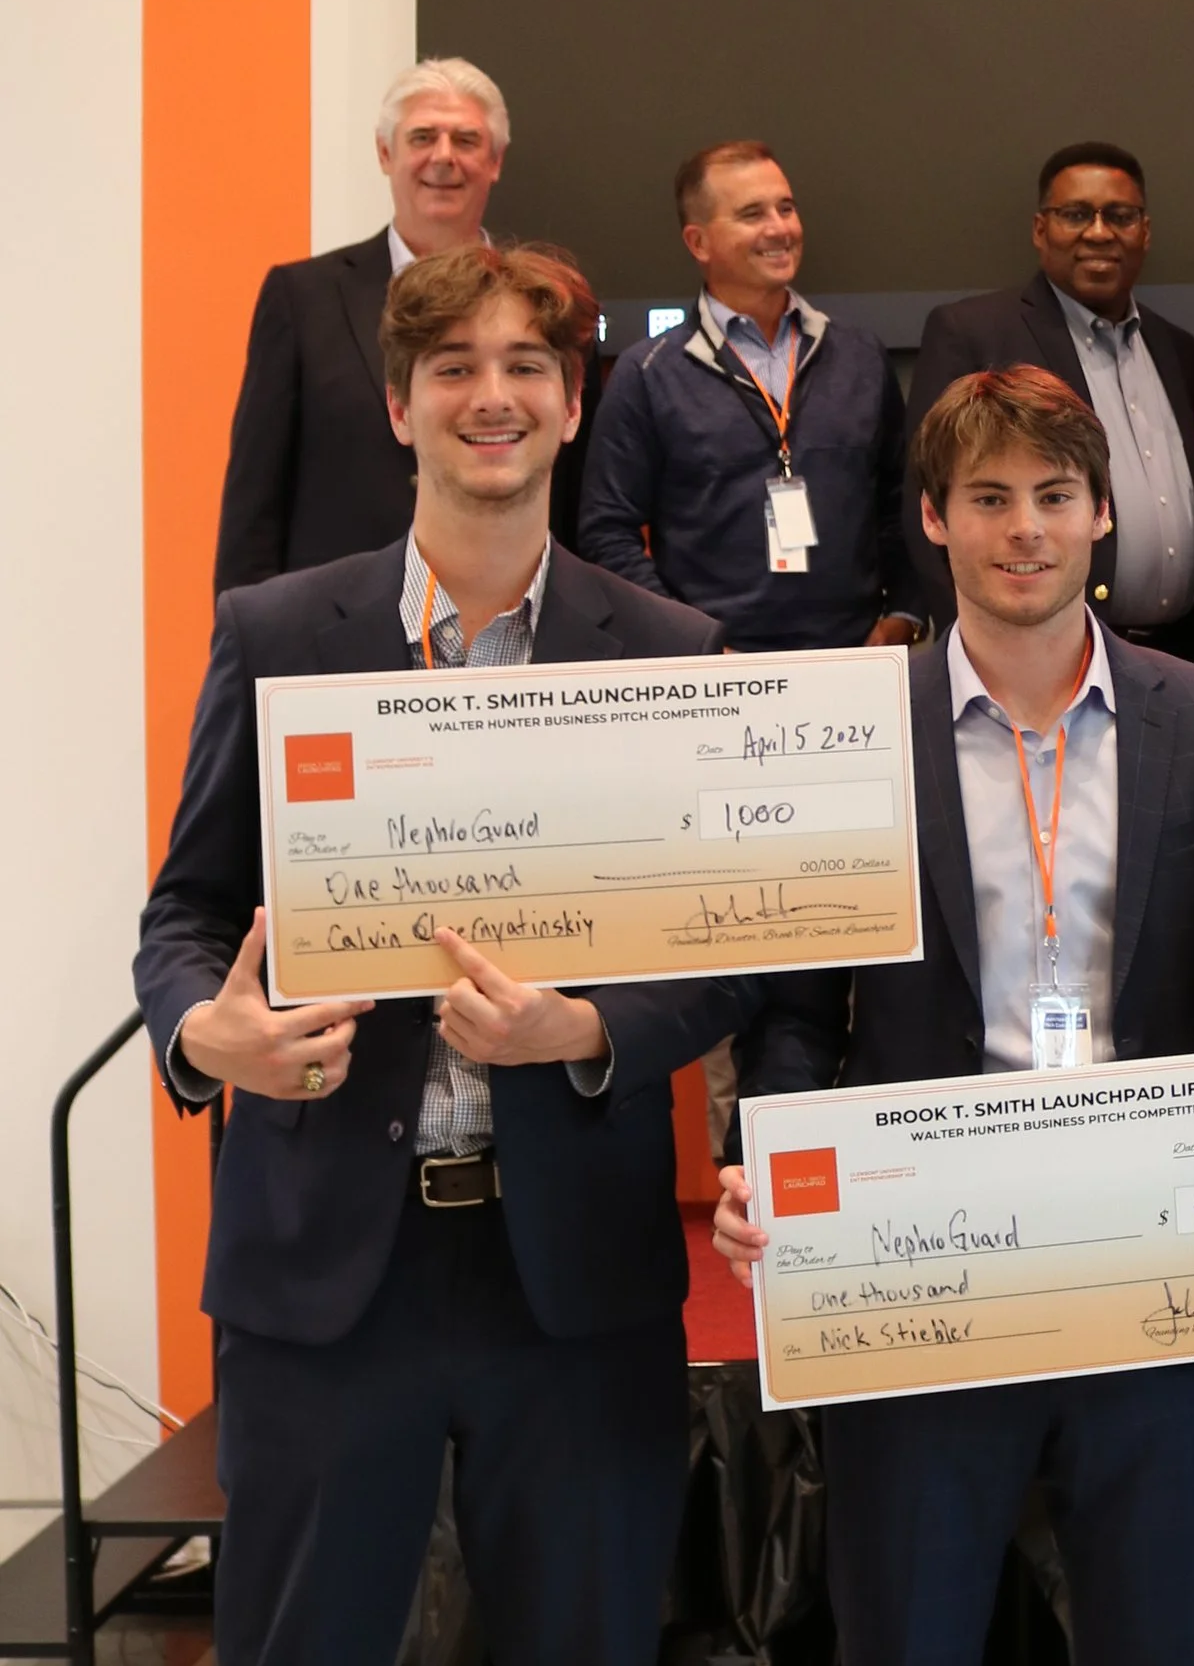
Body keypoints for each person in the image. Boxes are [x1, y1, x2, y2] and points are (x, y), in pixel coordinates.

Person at [708, 365, 1194, 1664]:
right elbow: (798, 1013)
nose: (1022, 526)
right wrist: (763, 1152)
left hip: (1151, 1269)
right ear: (934, 518)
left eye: (1053, 495)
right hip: (921, 1267)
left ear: (1101, 517)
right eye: (988, 498)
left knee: (1152, 1639)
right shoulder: (850, 730)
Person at [136, 243, 752, 1666]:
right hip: (328, 1272)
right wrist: (199, 1037)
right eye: (454, 368)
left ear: (575, 400)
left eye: (527, 366)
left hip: (575, 1282)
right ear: (402, 408)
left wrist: (587, 1032)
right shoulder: (281, 634)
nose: (494, 395)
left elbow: (719, 961)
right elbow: (183, 916)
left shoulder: (666, 651)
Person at [578, 140, 920, 655]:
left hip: (856, 659)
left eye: (786, 208)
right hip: (715, 674)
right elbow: (607, 534)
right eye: (752, 214)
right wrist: (689, 645)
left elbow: (904, 502)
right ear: (699, 242)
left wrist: (905, 614)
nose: (781, 228)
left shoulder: (860, 358)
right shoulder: (647, 374)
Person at [215, 59, 544, 591]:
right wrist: (248, 656)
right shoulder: (302, 299)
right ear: (385, 153)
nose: (444, 157)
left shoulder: (542, 303)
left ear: (496, 160)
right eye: (422, 137)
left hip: (506, 623)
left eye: (465, 139)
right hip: (333, 635)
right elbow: (255, 502)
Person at [902, 143, 1194, 665]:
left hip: (1183, 660)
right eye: (1075, 214)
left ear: (1144, 232)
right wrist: (979, 656)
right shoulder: (974, 333)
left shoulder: (1177, 349)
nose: (1099, 232)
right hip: (1033, 659)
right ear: (1039, 229)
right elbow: (926, 503)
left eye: (1120, 216)